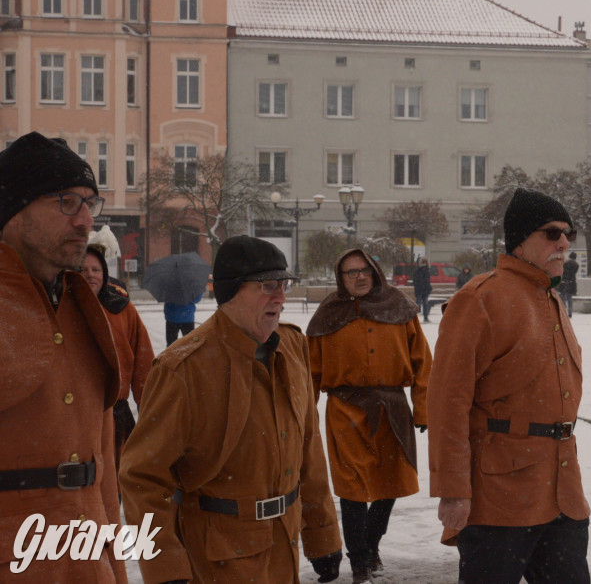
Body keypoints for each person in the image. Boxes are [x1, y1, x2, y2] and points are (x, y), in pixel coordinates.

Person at [119, 235, 343, 583]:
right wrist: (165, 568)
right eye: (268, 285)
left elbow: (309, 448)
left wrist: (323, 534)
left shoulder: (293, 346)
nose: (281, 296)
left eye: (283, 284)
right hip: (216, 557)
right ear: (231, 292)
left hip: (285, 547)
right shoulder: (183, 368)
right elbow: (142, 478)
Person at [428, 187, 590, 584]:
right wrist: (453, 488)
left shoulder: (549, 297)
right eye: (552, 233)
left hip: (562, 493)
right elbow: (448, 402)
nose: (564, 242)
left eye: (568, 233)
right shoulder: (480, 299)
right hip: (499, 497)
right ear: (520, 240)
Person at [0, 132, 128, 582]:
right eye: (66, 201)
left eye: (90, 203)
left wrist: (114, 564)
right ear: (14, 210)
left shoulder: (82, 306)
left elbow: (102, 466)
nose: (85, 221)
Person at [307, 248, 432, 583]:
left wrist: (423, 408)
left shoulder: (400, 309)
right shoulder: (327, 315)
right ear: (340, 277)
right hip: (345, 410)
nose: (359, 277)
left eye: (364, 270)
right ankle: (359, 560)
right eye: (351, 272)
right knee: (352, 488)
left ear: (375, 272)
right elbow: (310, 373)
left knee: (390, 483)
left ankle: (371, 543)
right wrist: (302, 418)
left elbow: (423, 363)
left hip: (392, 407)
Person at [80, 244, 155, 472]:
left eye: (96, 269)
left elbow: (144, 364)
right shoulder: (60, 308)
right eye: (84, 270)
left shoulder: (123, 309)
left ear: (104, 274)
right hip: (76, 416)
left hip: (114, 417)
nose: (91, 275)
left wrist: (149, 412)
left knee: (113, 485)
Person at [558, 250, 580, 317]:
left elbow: (562, 271)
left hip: (564, 281)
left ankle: (564, 311)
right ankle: (570, 312)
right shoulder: (576, 265)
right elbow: (574, 273)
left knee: (563, 297)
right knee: (570, 298)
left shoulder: (565, 263)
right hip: (572, 282)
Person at [412, 257, 433, 323]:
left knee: (426, 303)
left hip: (425, 290)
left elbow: (427, 281)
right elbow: (415, 281)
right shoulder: (417, 271)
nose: (424, 264)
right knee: (417, 304)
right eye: (423, 263)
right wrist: (418, 288)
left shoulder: (427, 271)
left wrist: (429, 288)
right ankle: (414, 317)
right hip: (419, 290)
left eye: (425, 263)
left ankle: (425, 317)